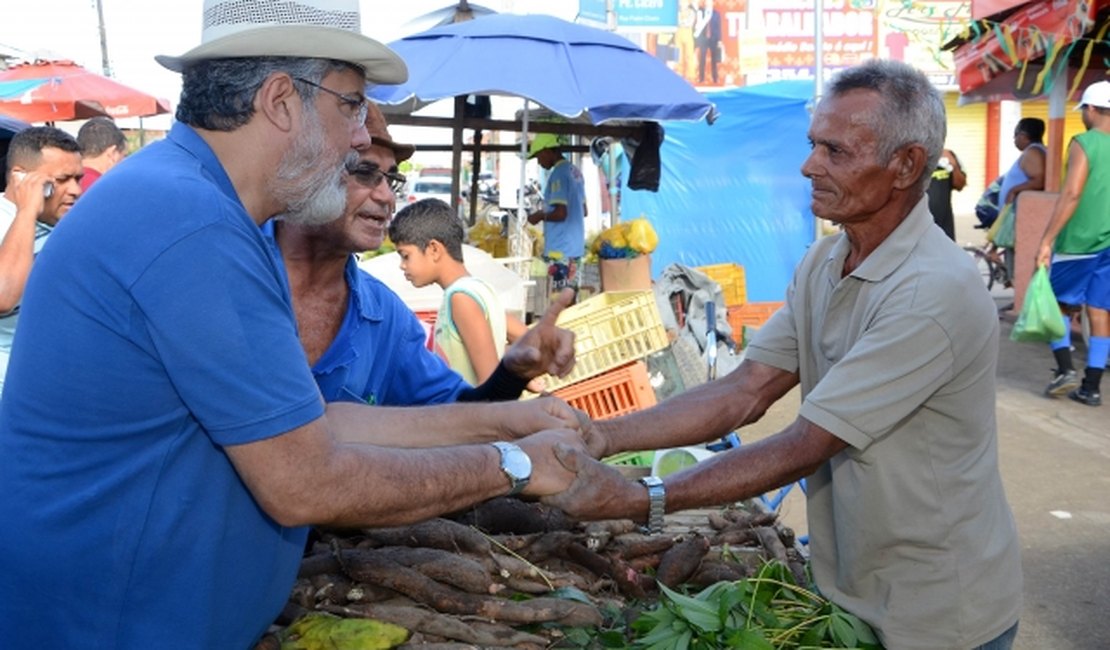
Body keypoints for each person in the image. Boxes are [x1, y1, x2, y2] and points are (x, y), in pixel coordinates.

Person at [0, 2, 587, 648]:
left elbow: (314, 421)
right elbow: (308, 479)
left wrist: (507, 418)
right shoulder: (193, 227)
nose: (363, 136)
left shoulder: (208, 209)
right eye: (352, 106)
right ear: (282, 100)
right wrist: (513, 465)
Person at [545, 60, 1022, 649]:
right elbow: (745, 390)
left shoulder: (934, 290)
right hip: (851, 584)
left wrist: (644, 497)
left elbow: (807, 443)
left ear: (905, 166)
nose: (808, 165)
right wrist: (603, 437)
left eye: (835, 151)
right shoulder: (825, 261)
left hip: (938, 607)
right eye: (812, 144)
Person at [271, 103, 568, 403]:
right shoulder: (235, 267)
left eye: (391, 179)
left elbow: (456, 412)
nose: (386, 196)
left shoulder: (386, 318)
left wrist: (512, 373)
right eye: (364, 171)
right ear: (304, 169)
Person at [391, 197, 530, 386]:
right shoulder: (479, 289)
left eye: (406, 256)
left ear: (433, 249)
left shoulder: (461, 298)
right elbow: (527, 340)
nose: (402, 266)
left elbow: (489, 384)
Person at [1035, 80, 1110, 406]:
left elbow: (1072, 192)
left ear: (1091, 109)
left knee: (1057, 304)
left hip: (1079, 241)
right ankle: (1091, 387)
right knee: (1099, 311)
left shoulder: (1084, 142)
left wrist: (1047, 239)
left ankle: (1064, 369)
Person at [0, 126, 83, 398]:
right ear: (20, 177)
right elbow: (4, 296)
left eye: (78, 178)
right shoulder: (9, 219)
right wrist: (27, 210)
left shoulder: (64, 225)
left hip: (47, 389)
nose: (76, 190)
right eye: (63, 179)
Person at [527, 132, 586, 296]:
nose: (539, 162)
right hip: (576, 249)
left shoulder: (559, 174)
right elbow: (584, 210)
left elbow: (561, 213)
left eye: (538, 156)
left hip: (560, 251)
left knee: (557, 300)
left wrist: (539, 215)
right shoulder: (575, 172)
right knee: (571, 298)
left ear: (547, 150)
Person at [995, 117, 1047, 281]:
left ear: (1024, 135)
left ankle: (1022, 300)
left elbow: (1038, 180)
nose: (1014, 139)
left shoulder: (1033, 152)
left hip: (1022, 220)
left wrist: (1014, 189)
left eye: (1015, 135)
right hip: (1019, 218)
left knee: (1019, 266)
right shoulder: (1036, 151)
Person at [76, 116, 128, 191]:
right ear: (112, 154)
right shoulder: (106, 189)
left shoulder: (68, 185)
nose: (124, 162)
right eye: (123, 156)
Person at [926, 147, 966, 240]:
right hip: (920, 227)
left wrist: (954, 166)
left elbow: (960, 185)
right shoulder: (912, 156)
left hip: (945, 227)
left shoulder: (948, 155)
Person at [694, 0, 722, 84]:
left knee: (714, 60)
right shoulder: (701, 12)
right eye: (707, 3)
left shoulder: (716, 14)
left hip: (713, 39)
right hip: (703, 39)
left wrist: (719, 40)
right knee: (702, 59)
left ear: (712, 4)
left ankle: (715, 78)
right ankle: (701, 78)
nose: (708, 5)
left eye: (710, 3)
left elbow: (718, 28)